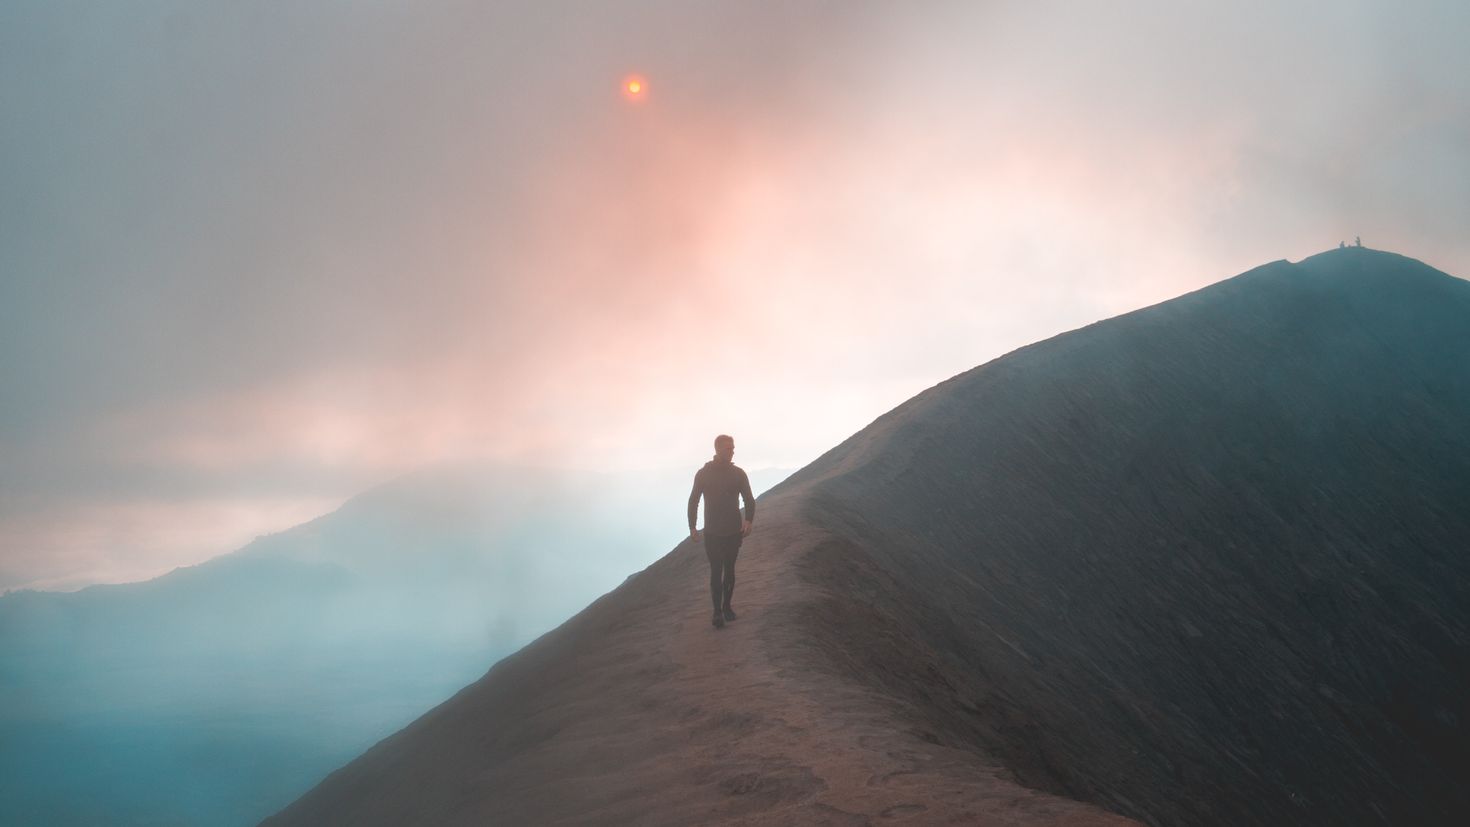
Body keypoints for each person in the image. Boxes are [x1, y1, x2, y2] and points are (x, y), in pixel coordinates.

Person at [688, 434, 755, 628]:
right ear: (717, 449)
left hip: (734, 531)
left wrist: (749, 521)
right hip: (713, 532)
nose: (732, 451)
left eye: (732, 448)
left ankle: (726, 606)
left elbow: (749, 499)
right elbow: (693, 500)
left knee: (730, 569)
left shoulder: (738, 474)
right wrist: (692, 526)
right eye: (728, 448)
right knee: (716, 571)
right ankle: (717, 611)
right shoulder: (703, 473)